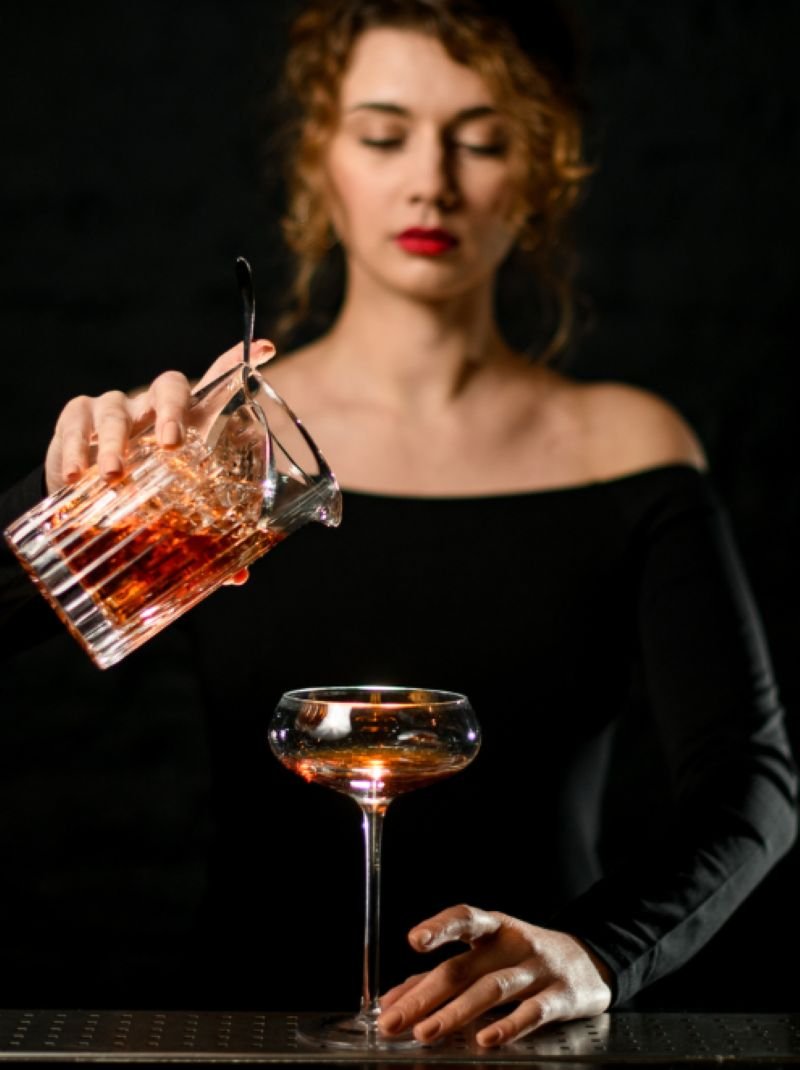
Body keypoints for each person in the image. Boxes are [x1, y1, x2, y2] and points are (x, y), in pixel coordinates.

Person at [0, 0, 796, 1048]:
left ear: (542, 170)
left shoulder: (628, 445)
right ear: (321, 162)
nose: (431, 179)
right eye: (383, 135)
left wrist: (600, 950)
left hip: (514, 1043)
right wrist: (71, 491)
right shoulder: (226, 459)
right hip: (233, 1034)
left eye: (481, 139)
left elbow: (748, 784)